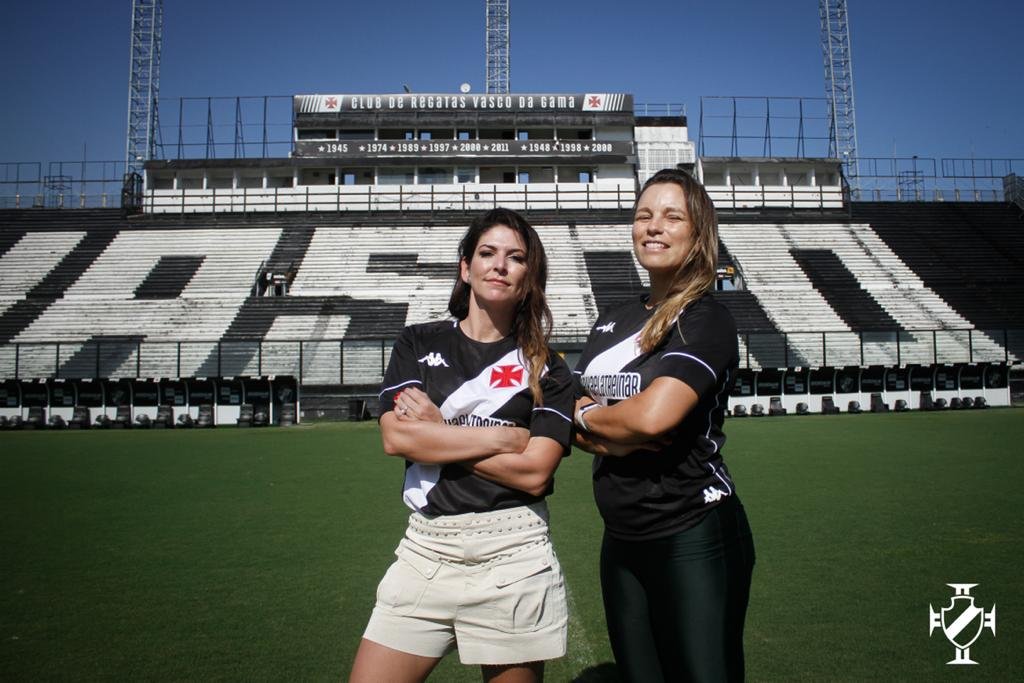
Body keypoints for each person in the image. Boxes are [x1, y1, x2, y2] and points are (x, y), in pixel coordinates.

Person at [349, 208, 574, 683]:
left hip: (514, 551)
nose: (499, 265)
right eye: (487, 253)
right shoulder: (417, 341)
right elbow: (397, 436)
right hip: (425, 549)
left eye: (515, 258)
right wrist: (501, 437)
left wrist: (438, 429)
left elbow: (535, 472)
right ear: (464, 267)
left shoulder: (548, 368)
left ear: (529, 275)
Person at [572, 168, 755, 682]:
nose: (653, 226)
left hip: (693, 534)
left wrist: (599, 422)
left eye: (672, 216)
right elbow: (574, 415)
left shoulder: (705, 318)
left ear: (698, 234)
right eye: (643, 215)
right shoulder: (610, 319)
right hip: (621, 541)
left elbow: (654, 418)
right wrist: (605, 426)